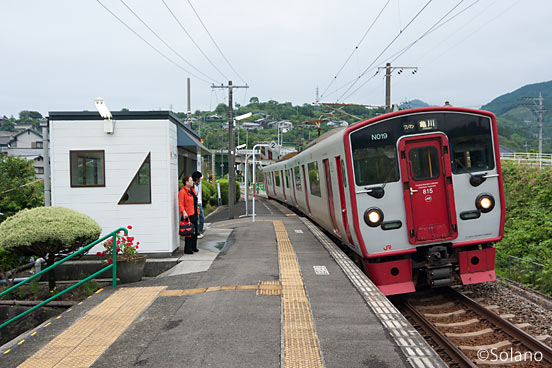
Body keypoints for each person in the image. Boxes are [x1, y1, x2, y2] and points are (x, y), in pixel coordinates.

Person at [178, 175, 199, 254]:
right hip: (187, 215)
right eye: (190, 180)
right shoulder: (182, 192)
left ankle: (194, 247)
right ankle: (188, 249)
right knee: (188, 232)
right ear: (186, 182)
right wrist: (183, 211)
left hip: (194, 213)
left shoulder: (192, 190)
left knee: (195, 232)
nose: (192, 182)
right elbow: (181, 203)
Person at [192, 171, 205, 239]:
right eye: (199, 178)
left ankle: (199, 232)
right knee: (197, 219)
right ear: (197, 178)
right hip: (195, 205)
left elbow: (202, 176)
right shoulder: (192, 185)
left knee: (202, 219)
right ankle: (197, 233)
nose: (200, 179)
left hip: (199, 203)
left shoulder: (199, 183)